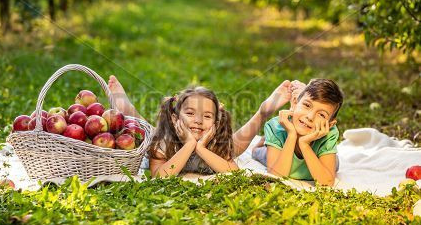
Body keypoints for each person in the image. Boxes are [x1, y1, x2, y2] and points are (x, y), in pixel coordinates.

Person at [107, 75, 301, 176]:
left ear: (215, 122)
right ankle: (128, 109)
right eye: (190, 114)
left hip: (211, 146)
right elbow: (160, 177)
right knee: (150, 134)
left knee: (234, 145)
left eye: (207, 116)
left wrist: (200, 147)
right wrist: (189, 144)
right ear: (175, 118)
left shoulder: (214, 139)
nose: (198, 121)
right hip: (171, 139)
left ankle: (262, 112)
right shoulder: (163, 143)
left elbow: (232, 172)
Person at [252, 79, 344, 186]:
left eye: (321, 115)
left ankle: (303, 98)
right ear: (295, 103)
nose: (310, 117)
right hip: (280, 152)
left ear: (330, 124)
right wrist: (291, 135)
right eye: (307, 105)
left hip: (318, 159)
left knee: (335, 165)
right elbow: (276, 177)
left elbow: (326, 183)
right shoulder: (276, 127)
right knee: (259, 154)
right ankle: (266, 142)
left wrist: (304, 144)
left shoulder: (329, 134)